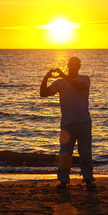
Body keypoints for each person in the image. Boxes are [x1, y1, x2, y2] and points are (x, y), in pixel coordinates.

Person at [40, 56, 96, 188]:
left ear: (80, 66)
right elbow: (43, 93)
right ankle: (63, 180)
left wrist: (63, 75)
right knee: (65, 153)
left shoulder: (85, 79)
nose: (74, 66)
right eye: (72, 64)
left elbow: (79, 87)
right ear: (68, 65)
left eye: (76, 64)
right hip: (67, 124)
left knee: (86, 153)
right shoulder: (60, 82)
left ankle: (88, 179)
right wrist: (46, 77)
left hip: (84, 122)